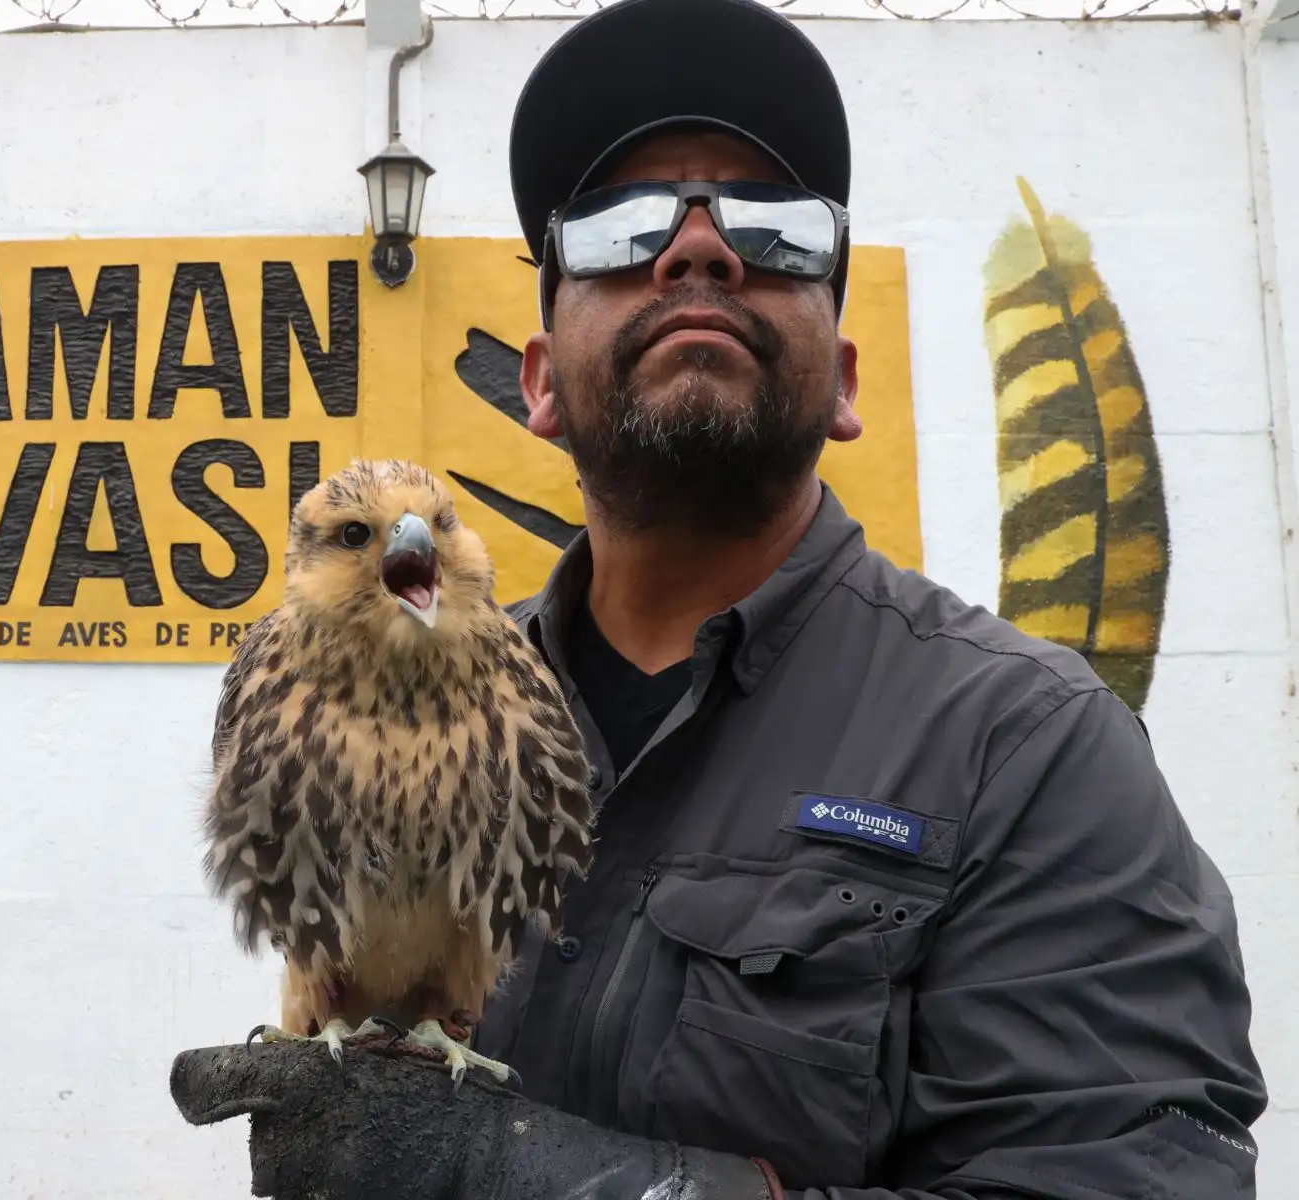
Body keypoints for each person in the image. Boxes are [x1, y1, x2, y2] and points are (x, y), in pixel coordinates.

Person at [168, 0, 1269, 1194]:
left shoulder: (1025, 747)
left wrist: (536, 1174)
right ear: (538, 386)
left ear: (845, 384)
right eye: (620, 227)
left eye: (778, 228)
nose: (698, 249)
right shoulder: (419, 686)